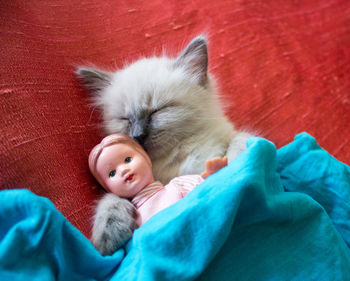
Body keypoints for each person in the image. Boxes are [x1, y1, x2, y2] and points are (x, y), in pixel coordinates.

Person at [89, 134, 227, 227]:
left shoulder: (178, 185)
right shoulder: (131, 222)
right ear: (108, 189)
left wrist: (216, 176)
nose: (123, 170)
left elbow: (210, 194)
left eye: (128, 160)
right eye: (112, 173)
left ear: (146, 158)